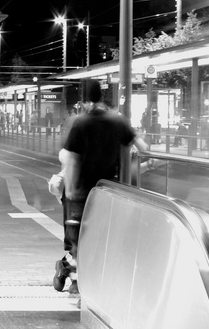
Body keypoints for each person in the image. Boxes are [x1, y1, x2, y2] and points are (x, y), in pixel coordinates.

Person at [48, 79, 149, 293]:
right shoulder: (118, 120)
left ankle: (67, 270)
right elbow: (143, 147)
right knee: (102, 237)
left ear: (83, 100)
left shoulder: (81, 122)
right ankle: (77, 280)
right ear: (101, 96)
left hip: (81, 191)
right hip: (107, 189)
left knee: (77, 240)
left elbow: (72, 159)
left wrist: (72, 190)